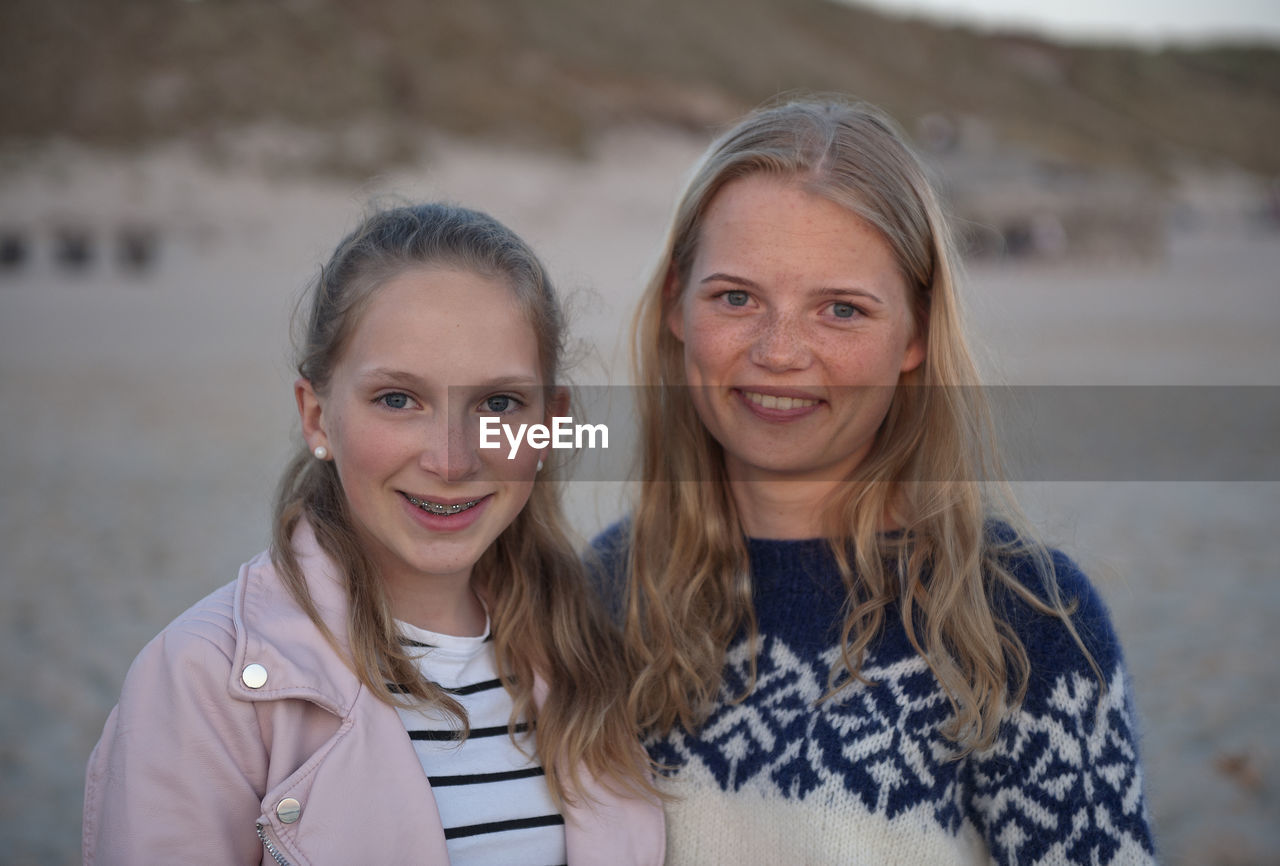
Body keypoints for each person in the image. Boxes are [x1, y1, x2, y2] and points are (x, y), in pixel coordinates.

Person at [592, 98, 1157, 864]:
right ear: (675, 306)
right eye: (736, 297)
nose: (780, 351)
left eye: (842, 310)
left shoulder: (1023, 625)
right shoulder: (603, 594)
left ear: (916, 335)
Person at [84, 203, 664, 864]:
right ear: (318, 417)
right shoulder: (200, 682)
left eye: (498, 403)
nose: (451, 460)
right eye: (397, 399)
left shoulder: (591, 653)